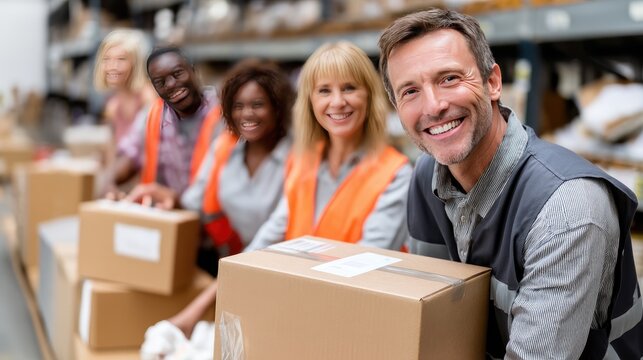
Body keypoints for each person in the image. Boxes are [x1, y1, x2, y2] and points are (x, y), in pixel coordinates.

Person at [378, 8, 642, 359]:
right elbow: (435, 320)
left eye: (450, 79)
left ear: (493, 83)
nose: (434, 105)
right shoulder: (428, 175)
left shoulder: (566, 208)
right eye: (410, 91)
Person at [132, 59, 295, 342]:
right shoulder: (225, 148)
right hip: (237, 268)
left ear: (278, 107)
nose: (247, 114)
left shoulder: (296, 158)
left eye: (258, 104)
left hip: (281, 274)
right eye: (238, 105)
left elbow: (269, 241)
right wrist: (161, 196)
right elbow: (194, 200)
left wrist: (193, 313)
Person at [245, 41, 411, 252]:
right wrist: (231, 274)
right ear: (310, 102)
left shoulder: (396, 175)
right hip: (298, 282)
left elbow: (366, 259)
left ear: (369, 96)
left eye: (349, 88)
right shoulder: (303, 160)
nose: (337, 101)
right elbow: (272, 232)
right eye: (324, 91)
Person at [115, 46, 223, 197]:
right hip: (171, 216)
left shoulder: (223, 112)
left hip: (214, 217)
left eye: (177, 73)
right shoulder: (153, 116)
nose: (171, 84)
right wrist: (110, 182)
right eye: (160, 82)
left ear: (193, 70)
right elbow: (128, 155)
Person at [93, 28, 153, 145]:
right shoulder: (112, 106)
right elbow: (113, 149)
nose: (112, 66)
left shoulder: (147, 98)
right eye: (106, 59)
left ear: (135, 64)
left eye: (121, 59)